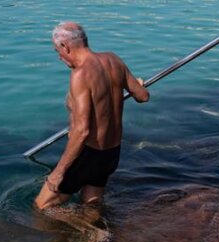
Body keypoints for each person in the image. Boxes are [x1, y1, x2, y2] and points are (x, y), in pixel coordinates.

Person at [34, 22, 149, 209]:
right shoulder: (113, 60)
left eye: (57, 51)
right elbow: (143, 96)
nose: (59, 57)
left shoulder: (81, 75)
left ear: (65, 46)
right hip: (111, 152)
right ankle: (96, 234)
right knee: (91, 205)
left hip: (89, 152)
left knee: (41, 207)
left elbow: (82, 130)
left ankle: (76, 227)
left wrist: (59, 172)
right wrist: (137, 84)